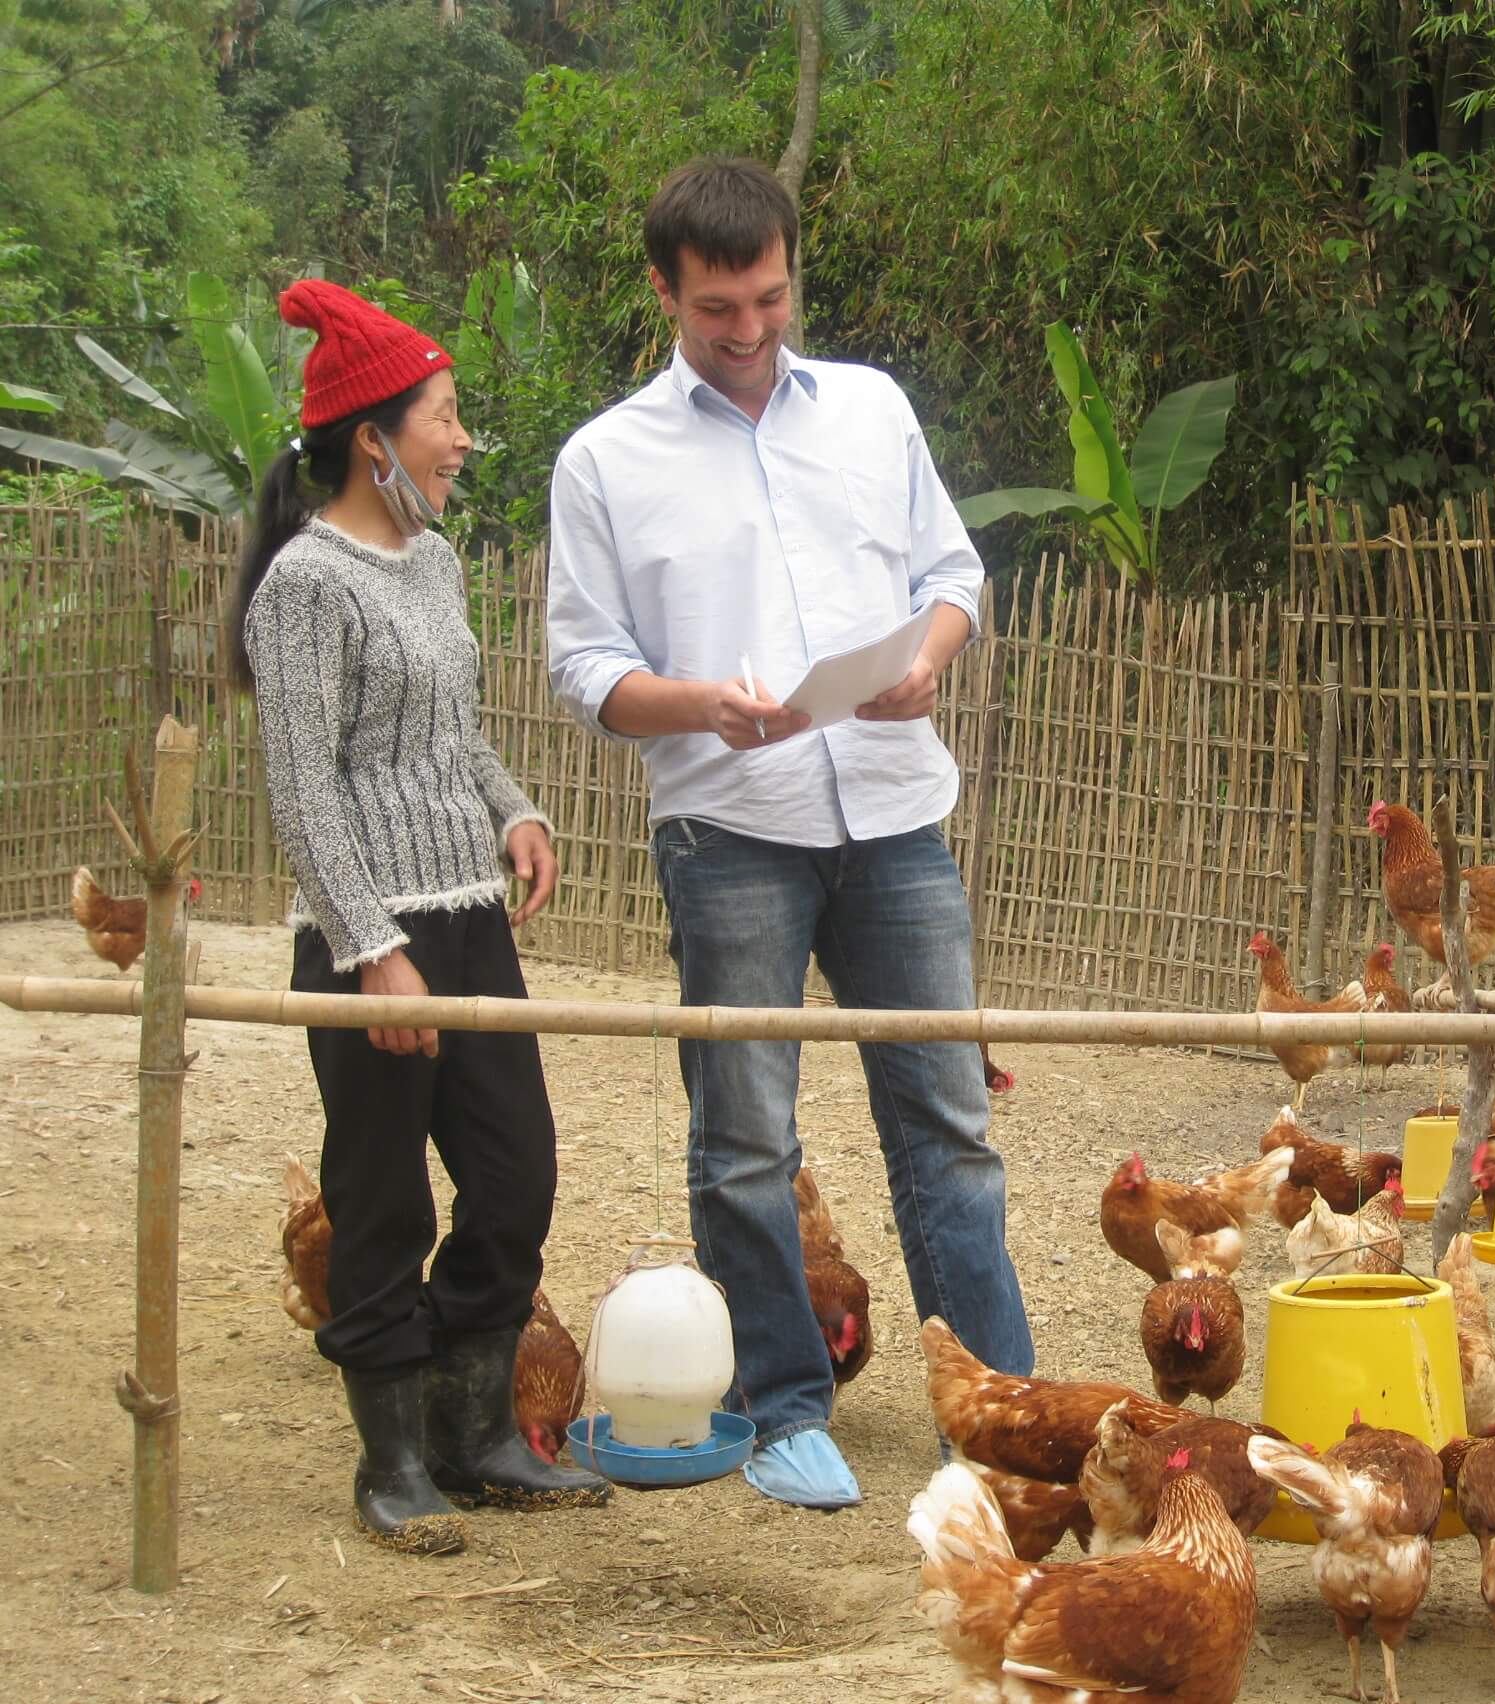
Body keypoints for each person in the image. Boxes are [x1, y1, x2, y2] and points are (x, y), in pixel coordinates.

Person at [546, 155, 1033, 1510]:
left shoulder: (873, 412)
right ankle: (780, 1406)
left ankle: (994, 1408)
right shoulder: (604, 461)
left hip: (895, 811)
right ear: (664, 291)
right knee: (747, 1131)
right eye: (717, 309)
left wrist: (931, 657)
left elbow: (953, 575)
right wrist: (697, 703)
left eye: (767, 297)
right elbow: (585, 670)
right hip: (731, 826)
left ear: (789, 273)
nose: (749, 330)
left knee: (945, 1120)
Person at [228, 279, 609, 1553]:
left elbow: (449, 738)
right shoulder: (303, 586)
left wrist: (515, 809)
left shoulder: (434, 561)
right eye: (445, 418)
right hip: (368, 938)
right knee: (382, 1196)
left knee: (517, 1173)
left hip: (467, 921)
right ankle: (392, 1463)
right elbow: (304, 783)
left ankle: (475, 1429)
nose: (461, 442)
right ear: (371, 440)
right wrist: (370, 950)